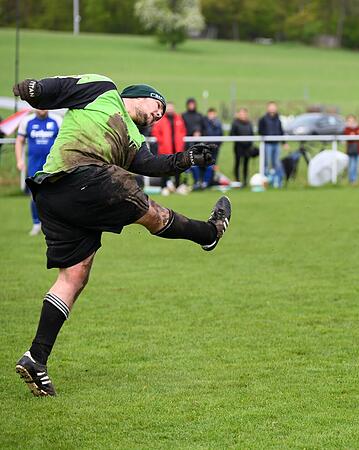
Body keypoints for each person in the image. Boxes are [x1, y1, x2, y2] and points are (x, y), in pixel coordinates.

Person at [11, 75, 231, 397]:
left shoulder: (133, 138)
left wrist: (187, 159)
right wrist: (36, 91)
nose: (158, 115)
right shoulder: (103, 89)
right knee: (150, 212)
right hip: (78, 178)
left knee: (74, 276)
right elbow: (59, 90)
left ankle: (36, 358)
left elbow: (151, 164)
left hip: (57, 198)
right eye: (158, 107)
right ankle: (208, 233)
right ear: (140, 96)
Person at [15, 109, 61, 235]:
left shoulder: (57, 120)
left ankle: (55, 225)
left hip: (54, 166)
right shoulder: (27, 121)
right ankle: (36, 224)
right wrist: (20, 160)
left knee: (56, 195)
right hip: (34, 166)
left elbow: (65, 140)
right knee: (35, 196)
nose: (42, 108)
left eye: (45, 105)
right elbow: (19, 141)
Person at [151, 102, 188, 195]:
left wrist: (180, 142)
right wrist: (162, 142)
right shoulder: (161, 120)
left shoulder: (178, 118)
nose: (170, 110)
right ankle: (164, 187)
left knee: (178, 168)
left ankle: (177, 186)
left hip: (177, 149)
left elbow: (183, 131)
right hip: (165, 149)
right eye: (169, 108)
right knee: (165, 168)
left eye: (172, 108)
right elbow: (155, 132)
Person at [257, 101, 287, 186]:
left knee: (276, 163)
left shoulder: (278, 119)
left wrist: (284, 143)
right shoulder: (263, 119)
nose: (272, 109)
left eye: (274, 107)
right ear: (267, 108)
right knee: (266, 163)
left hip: (276, 144)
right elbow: (260, 131)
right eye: (271, 107)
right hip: (267, 144)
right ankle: (265, 182)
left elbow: (281, 131)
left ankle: (277, 182)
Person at [182, 98, 206, 189]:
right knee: (187, 163)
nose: (191, 106)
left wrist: (199, 132)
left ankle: (199, 182)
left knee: (199, 163)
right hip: (187, 144)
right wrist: (191, 133)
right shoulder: (184, 116)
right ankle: (186, 182)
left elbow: (204, 128)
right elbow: (182, 129)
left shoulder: (200, 116)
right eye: (190, 104)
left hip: (199, 144)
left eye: (193, 104)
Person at [230, 108, 255, 186]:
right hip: (238, 147)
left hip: (247, 147)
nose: (243, 115)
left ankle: (245, 181)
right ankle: (237, 181)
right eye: (241, 113)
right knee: (237, 163)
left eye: (244, 113)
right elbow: (232, 134)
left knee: (246, 165)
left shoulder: (249, 123)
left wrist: (250, 144)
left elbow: (252, 134)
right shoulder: (235, 123)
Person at [201, 107, 224, 187]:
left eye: (213, 114)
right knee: (206, 165)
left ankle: (209, 181)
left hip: (215, 148)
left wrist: (218, 145)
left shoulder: (218, 123)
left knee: (213, 165)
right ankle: (205, 181)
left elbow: (221, 134)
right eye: (210, 114)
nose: (211, 115)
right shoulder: (205, 123)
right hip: (207, 148)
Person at [344, 114, 359, 184]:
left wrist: (354, 134)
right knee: (351, 166)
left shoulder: (358, 127)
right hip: (350, 151)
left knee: (357, 167)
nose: (351, 122)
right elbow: (348, 136)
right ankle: (351, 180)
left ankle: (355, 180)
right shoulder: (346, 129)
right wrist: (355, 134)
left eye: (352, 120)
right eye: (349, 120)